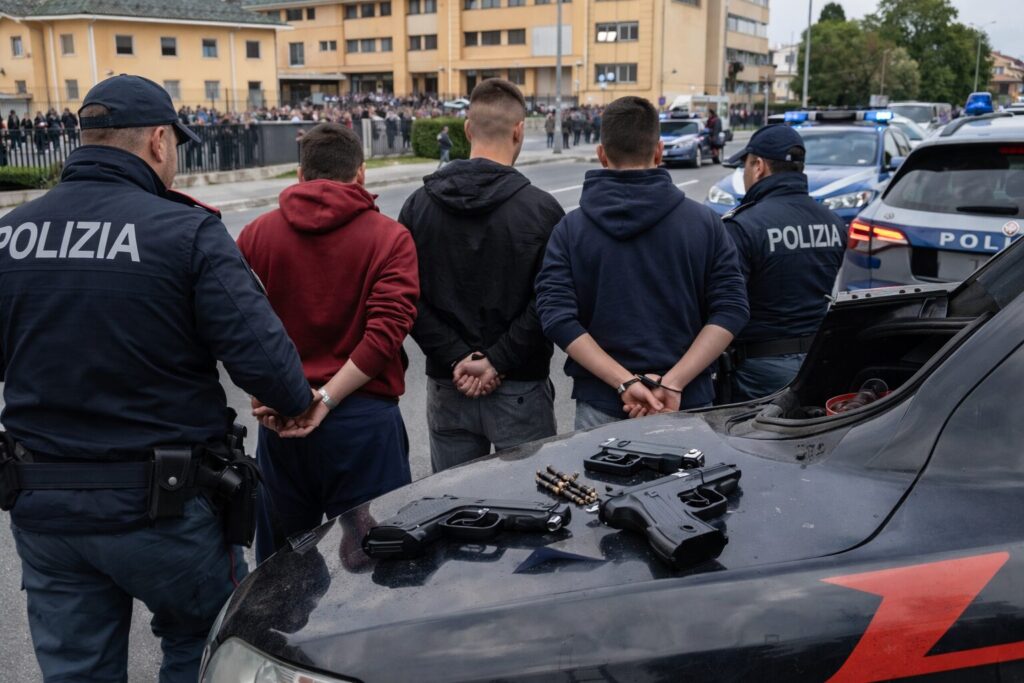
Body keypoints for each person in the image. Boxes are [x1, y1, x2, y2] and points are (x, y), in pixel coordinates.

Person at [0, 75, 314, 682]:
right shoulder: (185, 232)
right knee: (202, 648)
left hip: (46, 508)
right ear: (158, 143)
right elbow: (275, 373)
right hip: (166, 510)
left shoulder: (11, 236)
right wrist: (295, 403)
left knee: (75, 670)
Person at [237, 123, 419, 562]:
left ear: (300, 175)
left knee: (283, 574)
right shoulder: (390, 238)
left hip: (282, 418)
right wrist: (327, 399)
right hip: (363, 422)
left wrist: (266, 395)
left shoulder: (255, 235)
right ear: (360, 174)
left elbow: (238, 328)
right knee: (377, 566)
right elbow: (385, 335)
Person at [535, 96, 749, 428]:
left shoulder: (570, 230)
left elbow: (556, 316)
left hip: (601, 402)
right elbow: (732, 308)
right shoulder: (705, 223)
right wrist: (673, 382)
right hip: (686, 402)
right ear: (659, 151)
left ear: (602, 155)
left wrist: (625, 383)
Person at [399, 78, 564, 472]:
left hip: (448, 382)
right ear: (519, 131)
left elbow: (406, 296)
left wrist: (457, 356)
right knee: (531, 508)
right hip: (520, 385)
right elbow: (550, 301)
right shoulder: (543, 211)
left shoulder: (417, 206)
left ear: (468, 130)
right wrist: (497, 360)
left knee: (454, 512)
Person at [721, 125, 846, 402]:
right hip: (817, 362)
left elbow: (724, 306)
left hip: (757, 371)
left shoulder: (743, 226)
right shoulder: (833, 222)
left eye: (744, 166)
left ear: (758, 167)